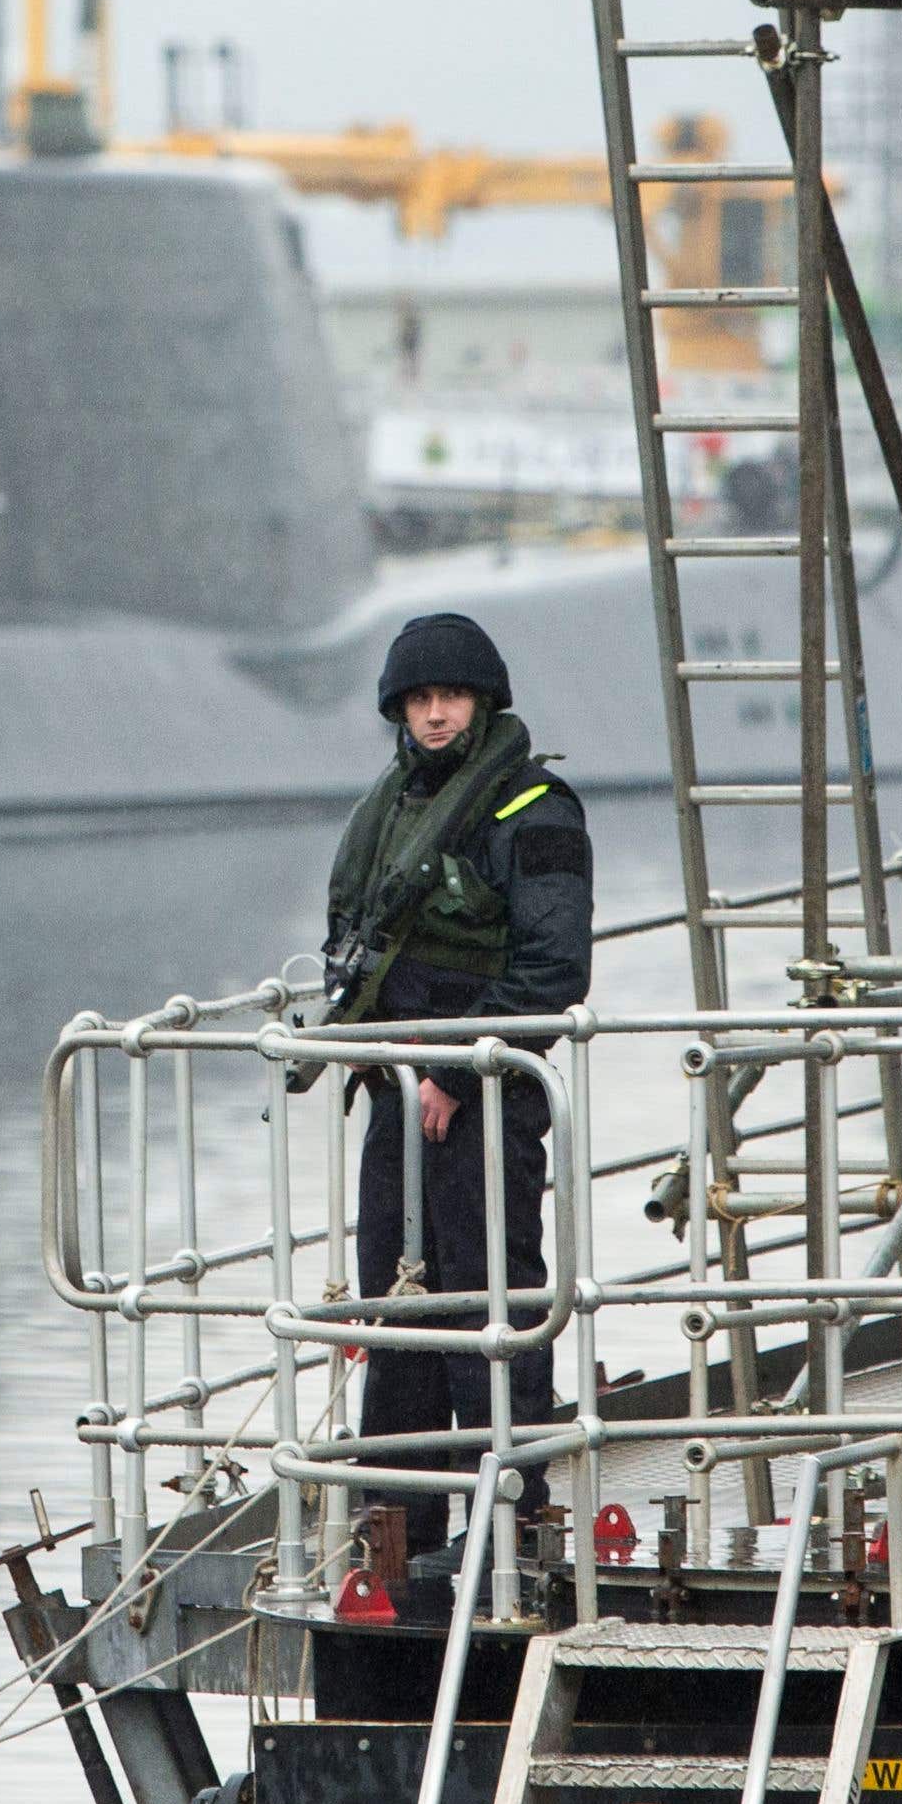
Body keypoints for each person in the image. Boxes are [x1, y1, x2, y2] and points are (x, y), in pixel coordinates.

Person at [317, 612, 592, 1564]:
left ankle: (509, 1517)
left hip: (485, 1095)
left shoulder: (533, 810)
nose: (436, 716)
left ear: (482, 704)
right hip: (396, 1095)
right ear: (401, 712)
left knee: (491, 1303)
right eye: (421, 701)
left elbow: (555, 969)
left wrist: (454, 1066)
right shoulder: (387, 813)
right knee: (396, 1310)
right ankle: (396, 1524)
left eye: (452, 698)